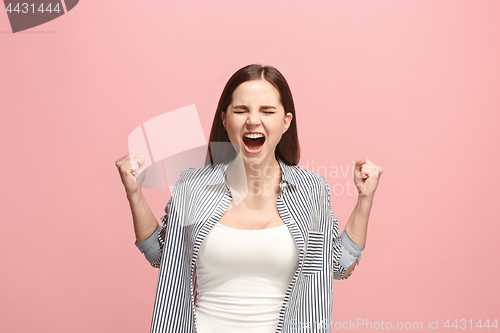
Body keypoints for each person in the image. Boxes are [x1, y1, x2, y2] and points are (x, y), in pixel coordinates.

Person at [115, 64, 384, 333]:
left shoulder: (311, 190)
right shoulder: (192, 187)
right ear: (224, 119)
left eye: (267, 111)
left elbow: (337, 266)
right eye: (241, 110)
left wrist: (364, 200)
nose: (253, 120)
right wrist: (135, 194)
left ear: (286, 122)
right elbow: (164, 255)